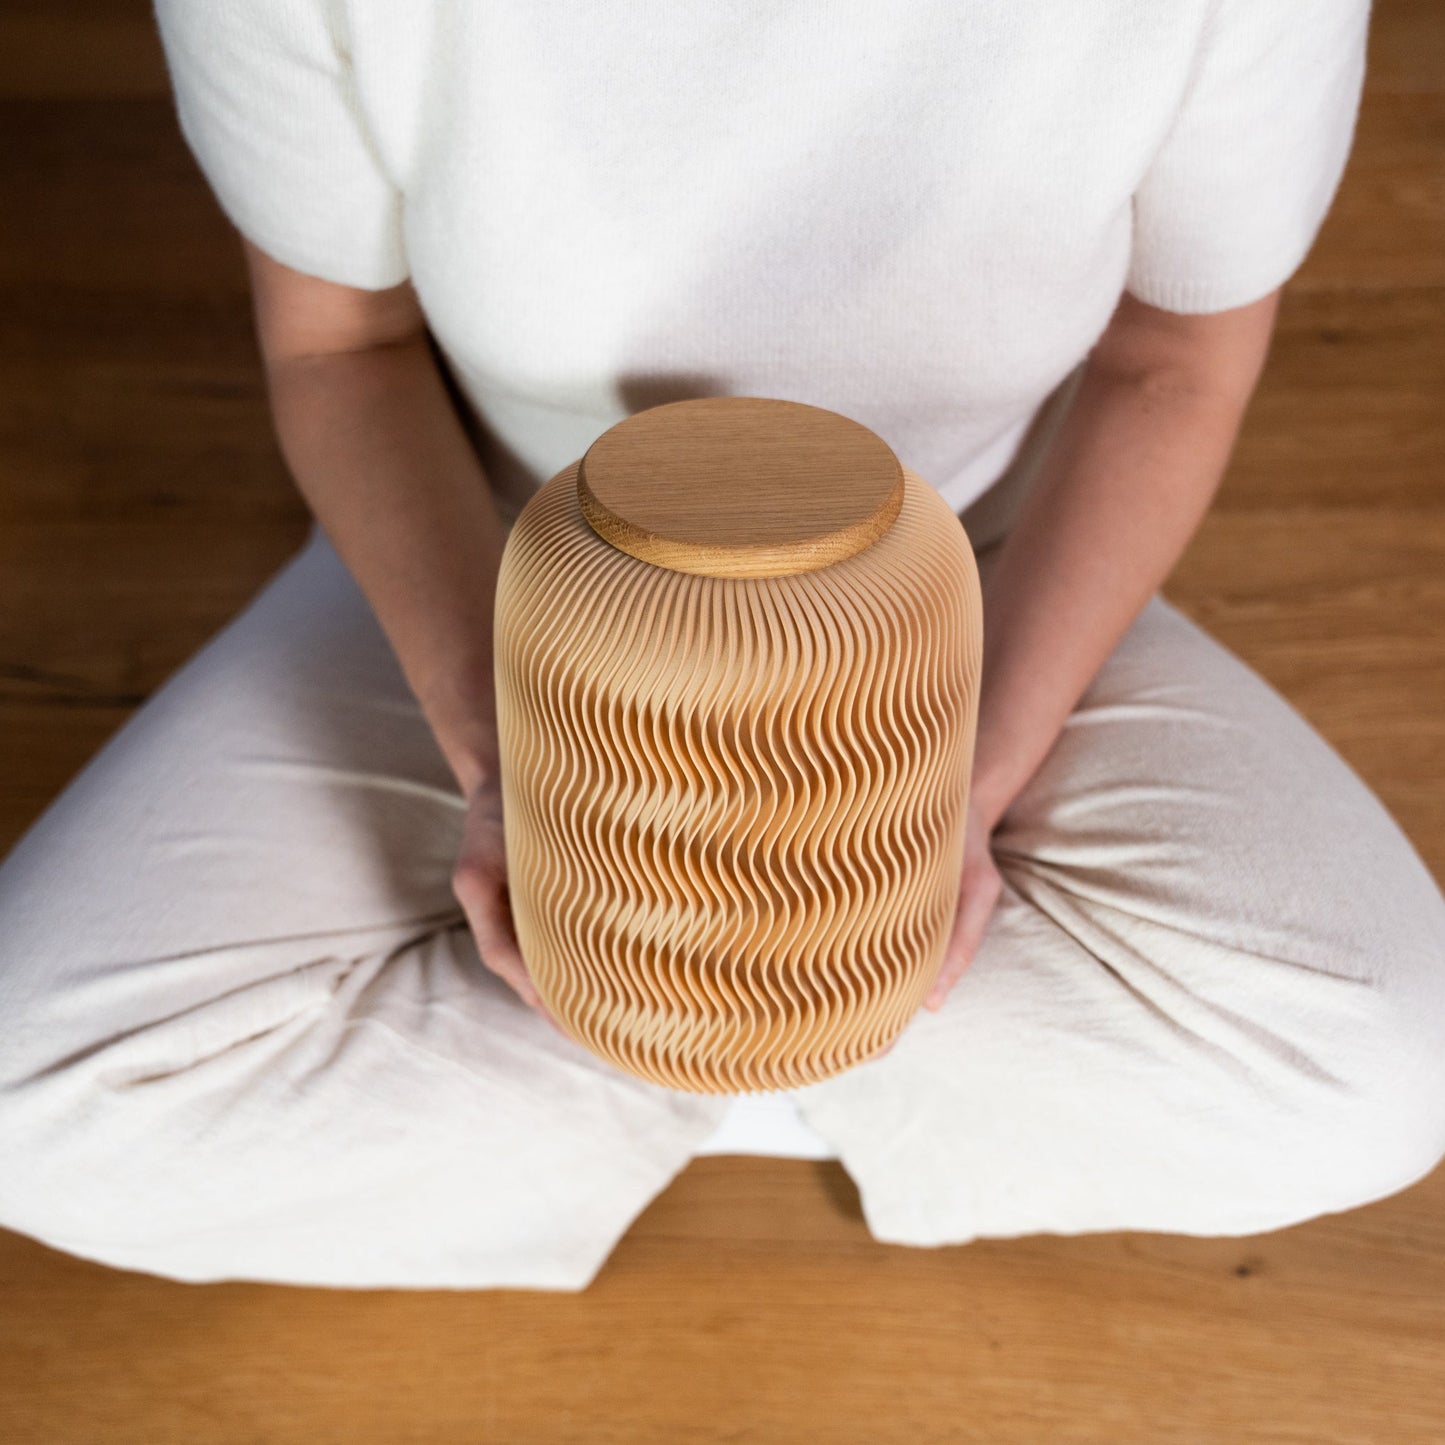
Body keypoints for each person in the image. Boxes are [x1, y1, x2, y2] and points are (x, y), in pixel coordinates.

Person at [0, 0, 1442, 1291]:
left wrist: (960, 782)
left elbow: (1170, 360)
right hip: (499, 555)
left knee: (1382, 1075)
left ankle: (649, 1053)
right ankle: (767, 1063)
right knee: (33, 1104)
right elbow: (339, 349)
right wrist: (525, 771)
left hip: (973, 566)